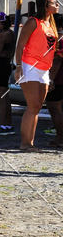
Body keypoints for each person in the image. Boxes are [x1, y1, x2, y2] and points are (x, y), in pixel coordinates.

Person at [15, 0, 60, 151]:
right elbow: (20, 45)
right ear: (46, 5)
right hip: (30, 66)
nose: (57, 5)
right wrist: (19, 66)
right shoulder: (33, 22)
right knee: (32, 106)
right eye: (54, 3)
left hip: (44, 69)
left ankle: (30, 143)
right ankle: (25, 144)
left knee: (37, 107)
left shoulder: (51, 24)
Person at [0, 11, 15, 134]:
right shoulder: (11, 33)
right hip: (6, 64)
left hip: (0, 65)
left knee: (1, 97)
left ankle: (2, 125)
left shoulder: (2, 35)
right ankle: (8, 124)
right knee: (6, 96)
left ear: (2, 23)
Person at [45, 18, 63, 148]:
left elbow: (57, 60)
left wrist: (51, 79)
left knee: (54, 107)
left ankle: (60, 136)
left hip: (59, 78)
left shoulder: (59, 40)